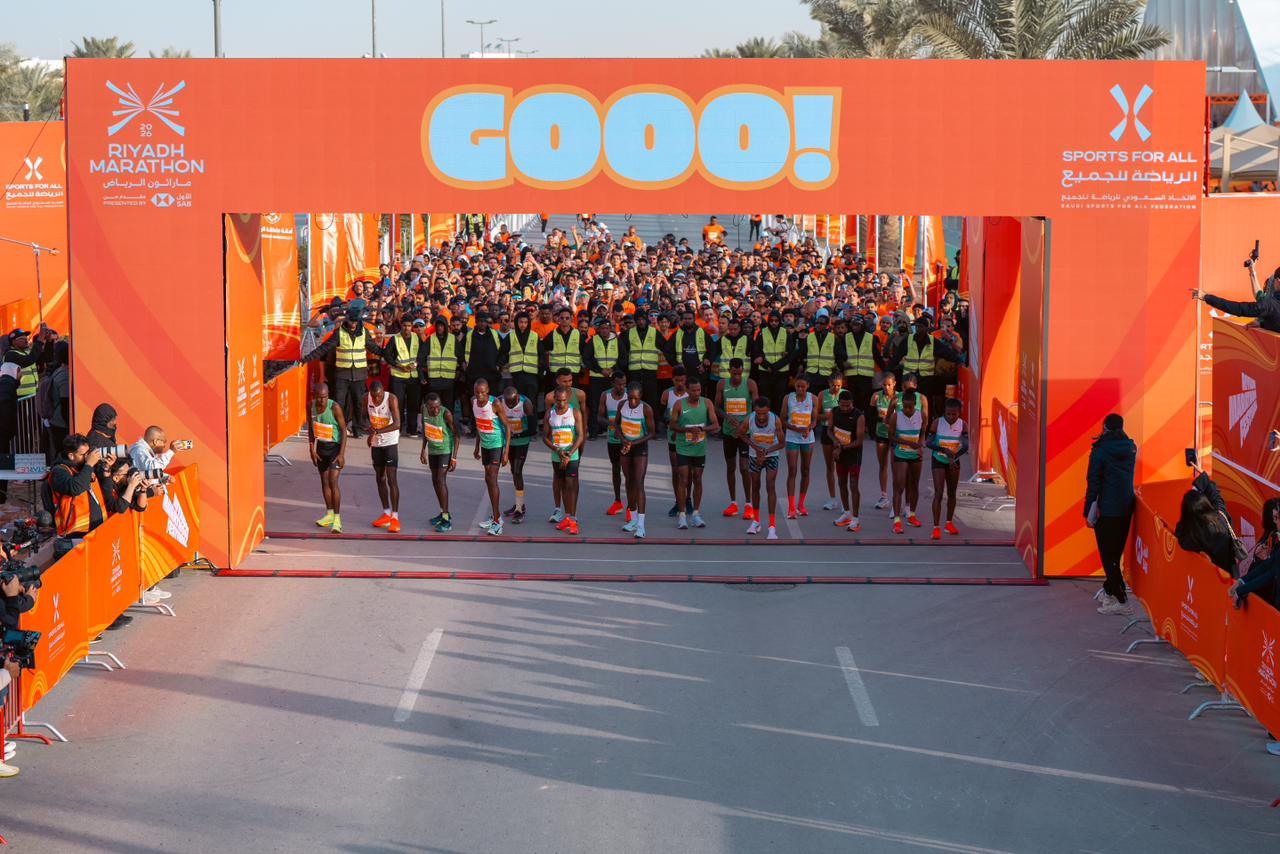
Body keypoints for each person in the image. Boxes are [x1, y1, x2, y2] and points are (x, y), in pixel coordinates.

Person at [1084, 413, 1137, 616]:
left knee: (1108, 556)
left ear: (1105, 428)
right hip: (1126, 507)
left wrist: (1088, 510)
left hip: (1107, 509)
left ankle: (1122, 601)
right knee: (1115, 554)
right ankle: (1109, 590)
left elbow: (1093, 483)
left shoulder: (1100, 450)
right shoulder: (1131, 447)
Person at [303, 307, 383, 437]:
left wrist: (387, 354)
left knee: (358, 403)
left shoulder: (364, 332)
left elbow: (374, 348)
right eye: (351, 320)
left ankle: (357, 429)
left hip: (359, 374)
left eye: (355, 321)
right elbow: (324, 348)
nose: (353, 323)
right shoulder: (339, 332)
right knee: (340, 403)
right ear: (347, 319)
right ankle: (339, 428)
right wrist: (308, 358)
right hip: (342, 374)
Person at [670, 376, 719, 529]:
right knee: (683, 479)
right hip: (683, 447)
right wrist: (687, 430)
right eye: (694, 391)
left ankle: (696, 514)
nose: (697, 393)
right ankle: (682, 515)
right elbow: (672, 425)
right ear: (687, 390)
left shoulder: (707, 403)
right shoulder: (679, 404)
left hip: (699, 449)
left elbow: (715, 425)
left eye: (699, 390)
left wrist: (701, 429)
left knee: (697, 478)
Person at [715, 358, 758, 521]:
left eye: (739, 374)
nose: (737, 377)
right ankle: (733, 503)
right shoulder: (721, 384)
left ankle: (748, 504)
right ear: (729, 371)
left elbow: (757, 408)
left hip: (745, 433)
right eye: (734, 374)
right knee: (731, 466)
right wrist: (727, 417)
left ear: (742, 371)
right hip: (729, 432)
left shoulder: (750, 384)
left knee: (744, 467)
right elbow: (717, 407)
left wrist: (744, 425)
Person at [1174, 470, 1241, 574]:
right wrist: (1202, 481)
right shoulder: (1221, 517)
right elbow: (1217, 498)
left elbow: (1179, 535)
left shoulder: (1191, 537)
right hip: (1229, 576)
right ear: (1206, 504)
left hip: (1207, 578)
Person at [1191, 255, 1280, 333]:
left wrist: (1206, 297)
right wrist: (1262, 324)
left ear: (1278, 281)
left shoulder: (1269, 305)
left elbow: (1238, 308)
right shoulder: (1269, 305)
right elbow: (1261, 298)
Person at [543, 369, 587, 524]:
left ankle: (572, 513)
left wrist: (583, 437)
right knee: (558, 478)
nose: (568, 384)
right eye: (564, 381)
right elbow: (549, 425)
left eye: (570, 381)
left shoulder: (579, 394)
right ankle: (558, 510)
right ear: (557, 381)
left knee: (572, 479)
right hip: (558, 446)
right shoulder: (549, 398)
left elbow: (584, 415)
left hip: (574, 442)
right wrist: (557, 449)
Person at [616, 381, 655, 539]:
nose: (632, 401)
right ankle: (632, 519)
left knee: (638, 483)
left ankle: (641, 525)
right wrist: (623, 440)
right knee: (629, 481)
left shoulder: (646, 409)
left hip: (640, 447)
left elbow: (652, 433)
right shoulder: (622, 405)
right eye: (630, 398)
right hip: (626, 445)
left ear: (641, 396)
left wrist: (634, 443)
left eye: (636, 398)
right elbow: (616, 425)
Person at [471, 378, 510, 536]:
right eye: (477, 392)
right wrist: (476, 447)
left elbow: (507, 426)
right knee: (488, 479)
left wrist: (506, 452)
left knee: (492, 479)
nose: (480, 395)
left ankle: (497, 521)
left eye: (483, 392)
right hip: (485, 445)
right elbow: (479, 425)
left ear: (488, 391)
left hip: (496, 444)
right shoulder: (473, 402)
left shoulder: (495, 404)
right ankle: (495, 516)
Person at [307, 382, 347, 533]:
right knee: (324, 482)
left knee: (333, 481)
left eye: (324, 397)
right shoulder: (310, 406)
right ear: (314, 396)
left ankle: (337, 520)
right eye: (319, 397)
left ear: (328, 396)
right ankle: (329, 514)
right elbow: (311, 428)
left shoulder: (334, 407)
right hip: (321, 448)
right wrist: (311, 448)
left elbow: (344, 431)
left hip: (334, 448)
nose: (322, 400)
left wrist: (341, 454)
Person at [743, 397, 785, 539]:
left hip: (771, 454)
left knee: (770, 485)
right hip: (755, 455)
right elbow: (740, 434)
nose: (761, 416)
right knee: (755, 486)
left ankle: (772, 527)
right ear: (754, 411)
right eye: (758, 413)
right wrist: (756, 448)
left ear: (769, 411)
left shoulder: (775, 420)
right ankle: (756, 522)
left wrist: (765, 452)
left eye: (764, 413)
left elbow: (782, 443)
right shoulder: (749, 419)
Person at [926, 398, 968, 540]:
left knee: (952, 493)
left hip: (953, 461)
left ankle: (949, 524)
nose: (950, 417)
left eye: (954, 414)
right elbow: (928, 443)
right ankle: (936, 528)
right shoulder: (937, 422)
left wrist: (954, 457)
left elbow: (965, 446)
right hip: (938, 459)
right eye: (948, 414)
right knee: (938, 492)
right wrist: (944, 450)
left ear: (959, 413)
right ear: (944, 412)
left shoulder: (963, 425)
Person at [365, 381, 403, 533]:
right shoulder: (366, 398)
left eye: (379, 396)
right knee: (380, 478)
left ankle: (395, 517)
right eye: (374, 396)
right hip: (376, 443)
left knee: (391, 479)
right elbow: (363, 417)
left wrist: (377, 432)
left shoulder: (391, 399)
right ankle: (386, 513)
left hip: (390, 442)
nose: (376, 399)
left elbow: (398, 424)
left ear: (383, 392)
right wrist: (369, 429)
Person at [827, 389, 866, 531]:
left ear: (852, 403)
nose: (844, 408)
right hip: (840, 452)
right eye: (842, 405)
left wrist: (841, 448)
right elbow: (829, 430)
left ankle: (856, 519)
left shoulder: (859, 416)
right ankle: (847, 513)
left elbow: (859, 441)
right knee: (841, 483)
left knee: (853, 485)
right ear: (838, 403)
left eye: (847, 405)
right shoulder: (834, 412)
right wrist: (835, 442)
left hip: (853, 454)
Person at [420, 392, 458, 532]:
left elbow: (457, 436)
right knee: (435, 481)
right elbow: (426, 430)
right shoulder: (423, 410)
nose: (436, 410)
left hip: (445, 450)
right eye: (432, 408)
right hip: (433, 450)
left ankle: (447, 520)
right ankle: (443, 512)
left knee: (440, 480)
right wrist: (422, 450)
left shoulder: (446, 414)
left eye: (438, 407)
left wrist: (454, 457)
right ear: (426, 406)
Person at [887, 390, 924, 534]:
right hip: (901, 454)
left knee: (914, 485)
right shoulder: (896, 416)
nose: (907, 410)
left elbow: (923, 433)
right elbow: (891, 437)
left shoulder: (922, 415)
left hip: (915, 455)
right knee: (900, 486)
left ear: (915, 404)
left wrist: (920, 445)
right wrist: (908, 443)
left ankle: (911, 516)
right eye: (905, 406)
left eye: (910, 407)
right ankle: (897, 521)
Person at [781, 374, 818, 519]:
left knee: (806, 470)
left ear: (808, 386)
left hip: (807, 438)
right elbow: (783, 420)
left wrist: (809, 428)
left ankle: (801, 505)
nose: (800, 389)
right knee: (792, 470)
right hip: (792, 437)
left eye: (803, 386)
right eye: (798, 386)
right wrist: (796, 429)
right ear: (794, 385)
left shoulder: (813, 398)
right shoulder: (788, 398)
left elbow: (814, 420)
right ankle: (791, 507)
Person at [384, 319, 424, 437]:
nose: (407, 328)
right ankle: (398, 428)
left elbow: (422, 354)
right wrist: (398, 366)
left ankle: (412, 429)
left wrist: (416, 364)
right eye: (405, 325)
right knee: (398, 404)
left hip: (413, 376)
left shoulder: (416, 337)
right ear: (401, 325)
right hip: (398, 376)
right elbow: (387, 355)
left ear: (412, 326)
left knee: (413, 404)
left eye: (409, 325)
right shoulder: (395, 339)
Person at [661, 367, 691, 517]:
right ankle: (678, 501)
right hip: (673, 436)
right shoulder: (667, 394)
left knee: (688, 470)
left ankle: (688, 499)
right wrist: (668, 421)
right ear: (672, 379)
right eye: (677, 380)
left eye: (682, 380)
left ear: (686, 379)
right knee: (675, 470)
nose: (679, 383)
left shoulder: (690, 394)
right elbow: (662, 415)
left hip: (688, 437)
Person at [598, 371, 628, 516]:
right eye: (619, 384)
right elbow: (599, 417)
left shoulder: (630, 395)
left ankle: (631, 506)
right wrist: (613, 425)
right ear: (612, 384)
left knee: (629, 472)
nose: (622, 387)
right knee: (616, 469)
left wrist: (621, 428)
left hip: (628, 439)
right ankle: (617, 502)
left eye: (624, 384)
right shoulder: (605, 395)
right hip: (612, 439)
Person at [868, 374, 899, 512]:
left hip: (896, 437)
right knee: (883, 465)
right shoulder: (876, 396)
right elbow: (870, 416)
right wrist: (882, 421)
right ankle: (883, 496)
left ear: (894, 384)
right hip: (881, 434)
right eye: (884, 385)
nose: (886, 387)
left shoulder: (899, 397)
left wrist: (892, 423)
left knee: (895, 467)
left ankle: (896, 498)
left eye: (889, 385)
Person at [586, 319, 620, 440]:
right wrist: (600, 370)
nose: (605, 330)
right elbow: (587, 358)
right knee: (594, 405)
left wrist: (613, 369)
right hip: (596, 377)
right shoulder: (593, 340)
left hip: (612, 378)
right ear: (598, 330)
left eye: (607, 328)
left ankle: (615, 431)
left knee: (614, 406)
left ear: (610, 329)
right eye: (602, 328)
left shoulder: (617, 340)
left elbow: (623, 358)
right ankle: (593, 433)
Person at [817, 373, 846, 514]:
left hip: (842, 433)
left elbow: (852, 414)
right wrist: (827, 416)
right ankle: (832, 499)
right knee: (830, 467)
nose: (836, 388)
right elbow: (816, 415)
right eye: (834, 385)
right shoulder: (822, 395)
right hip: (826, 432)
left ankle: (845, 501)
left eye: (839, 385)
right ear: (829, 383)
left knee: (843, 467)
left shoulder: (845, 394)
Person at [754, 312, 793, 411]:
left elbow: (790, 353)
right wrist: (767, 366)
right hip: (765, 371)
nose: (774, 323)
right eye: (771, 320)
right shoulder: (762, 333)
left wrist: (775, 366)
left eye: (776, 321)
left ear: (780, 321)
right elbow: (758, 352)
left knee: (779, 398)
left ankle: (777, 418)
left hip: (781, 372)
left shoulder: (786, 332)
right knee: (765, 397)